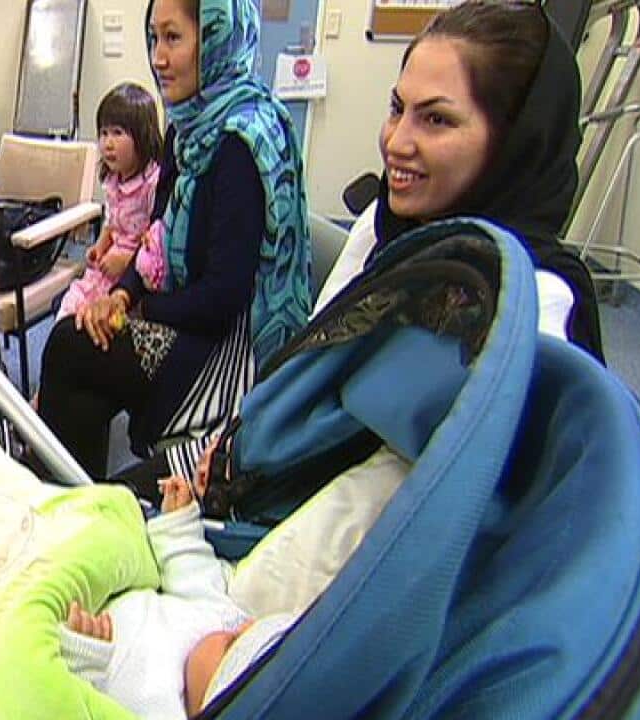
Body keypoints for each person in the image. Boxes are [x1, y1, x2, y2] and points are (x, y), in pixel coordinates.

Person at [36, 0, 312, 478]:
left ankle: (71, 498)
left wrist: (140, 309)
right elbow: (156, 236)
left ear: (216, 39)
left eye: (173, 38)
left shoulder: (241, 142)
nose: (158, 58)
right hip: (184, 313)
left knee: (68, 346)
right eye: (154, 38)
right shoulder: (188, 128)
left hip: (225, 351)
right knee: (81, 353)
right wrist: (121, 296)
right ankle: (76, 498)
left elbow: (223, 299)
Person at [313, 0, 603, 360]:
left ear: (515, 144)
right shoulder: (385, 226)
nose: (396, 143)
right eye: (398, 109)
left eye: (436, 119)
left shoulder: (532, 309)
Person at [60, 475, 295, 718]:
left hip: (70, 635)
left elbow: (89, 710)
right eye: (251, 626)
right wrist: (179, 523)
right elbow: (191, 569)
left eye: (231, 643)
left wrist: (84, 661)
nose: (242, 625)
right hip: (108, 572)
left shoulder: (159, 710)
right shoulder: (219, 619)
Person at [57, 82, 164, 319]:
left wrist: (126, 262)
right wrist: (99, 247)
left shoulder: (152, 184)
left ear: (142, 136)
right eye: (104, 133)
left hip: (135, 276)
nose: (108, 143)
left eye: (117, 133)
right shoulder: (113, 180)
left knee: (99, 321)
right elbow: (111, 222)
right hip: (107, 266)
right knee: (71, 306)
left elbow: (157, 245)